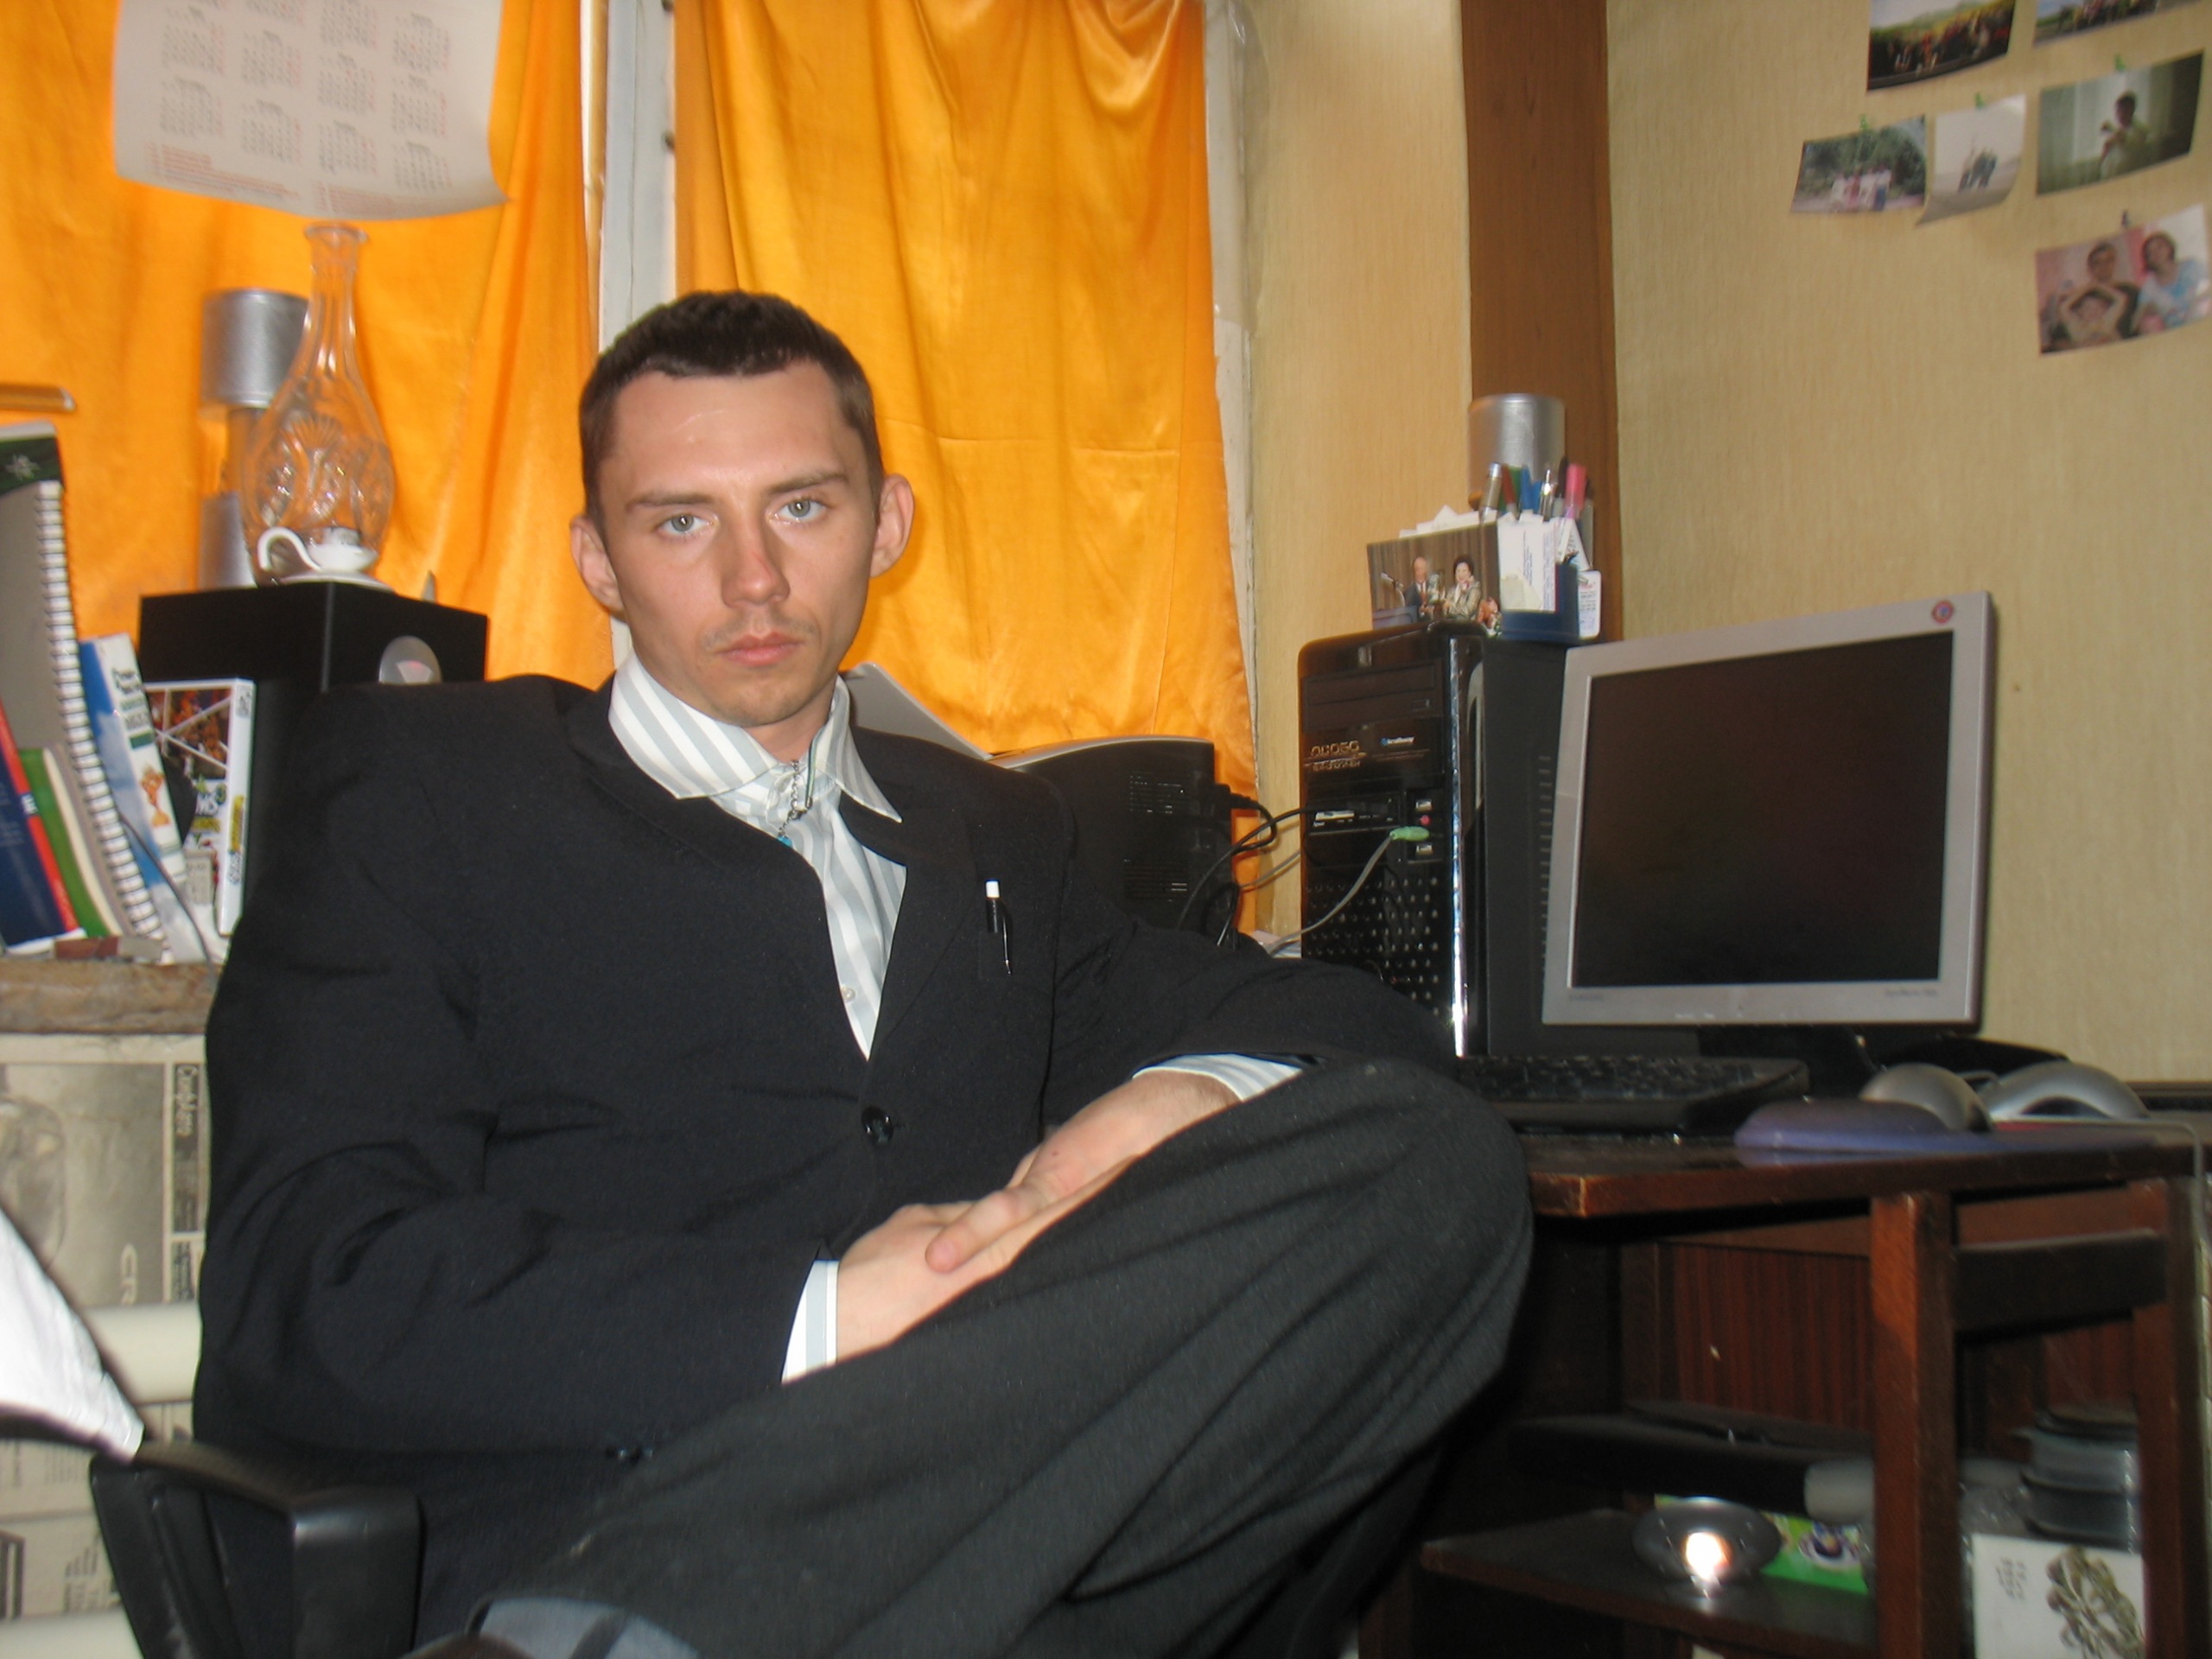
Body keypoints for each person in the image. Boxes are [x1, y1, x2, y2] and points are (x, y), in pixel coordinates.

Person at [195, 290, 1532, 1659]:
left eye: (801, 508)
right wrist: (826, 1319)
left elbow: (1331, 1021)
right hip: (603, 1539)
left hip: (982, 1570)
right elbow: (310, 1278)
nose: (753, 580)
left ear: (886, 523)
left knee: (1437, 1171)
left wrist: (1190, 1095)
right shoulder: (423, 795)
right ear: (596, 559)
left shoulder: (993, 834)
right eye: (680, 523)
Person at [2135, 229, 2208, 332]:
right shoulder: (2149, 286)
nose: (2156, 253)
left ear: (2170, 247)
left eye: (2159, 247)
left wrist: (2199, 300)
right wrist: (2148, 312)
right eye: (2150, 252)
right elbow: (2137, 322)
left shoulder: (2191, 266)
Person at [1440, 553, 1482, 621]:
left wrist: (1451, 606)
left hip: (1468, 626)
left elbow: (1467, 611)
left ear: (1469, 573)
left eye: (1464, 571)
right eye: (1458, 571)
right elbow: (1445, 613)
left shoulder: (1474, 589)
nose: (1461, 574)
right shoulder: (1452, 591)